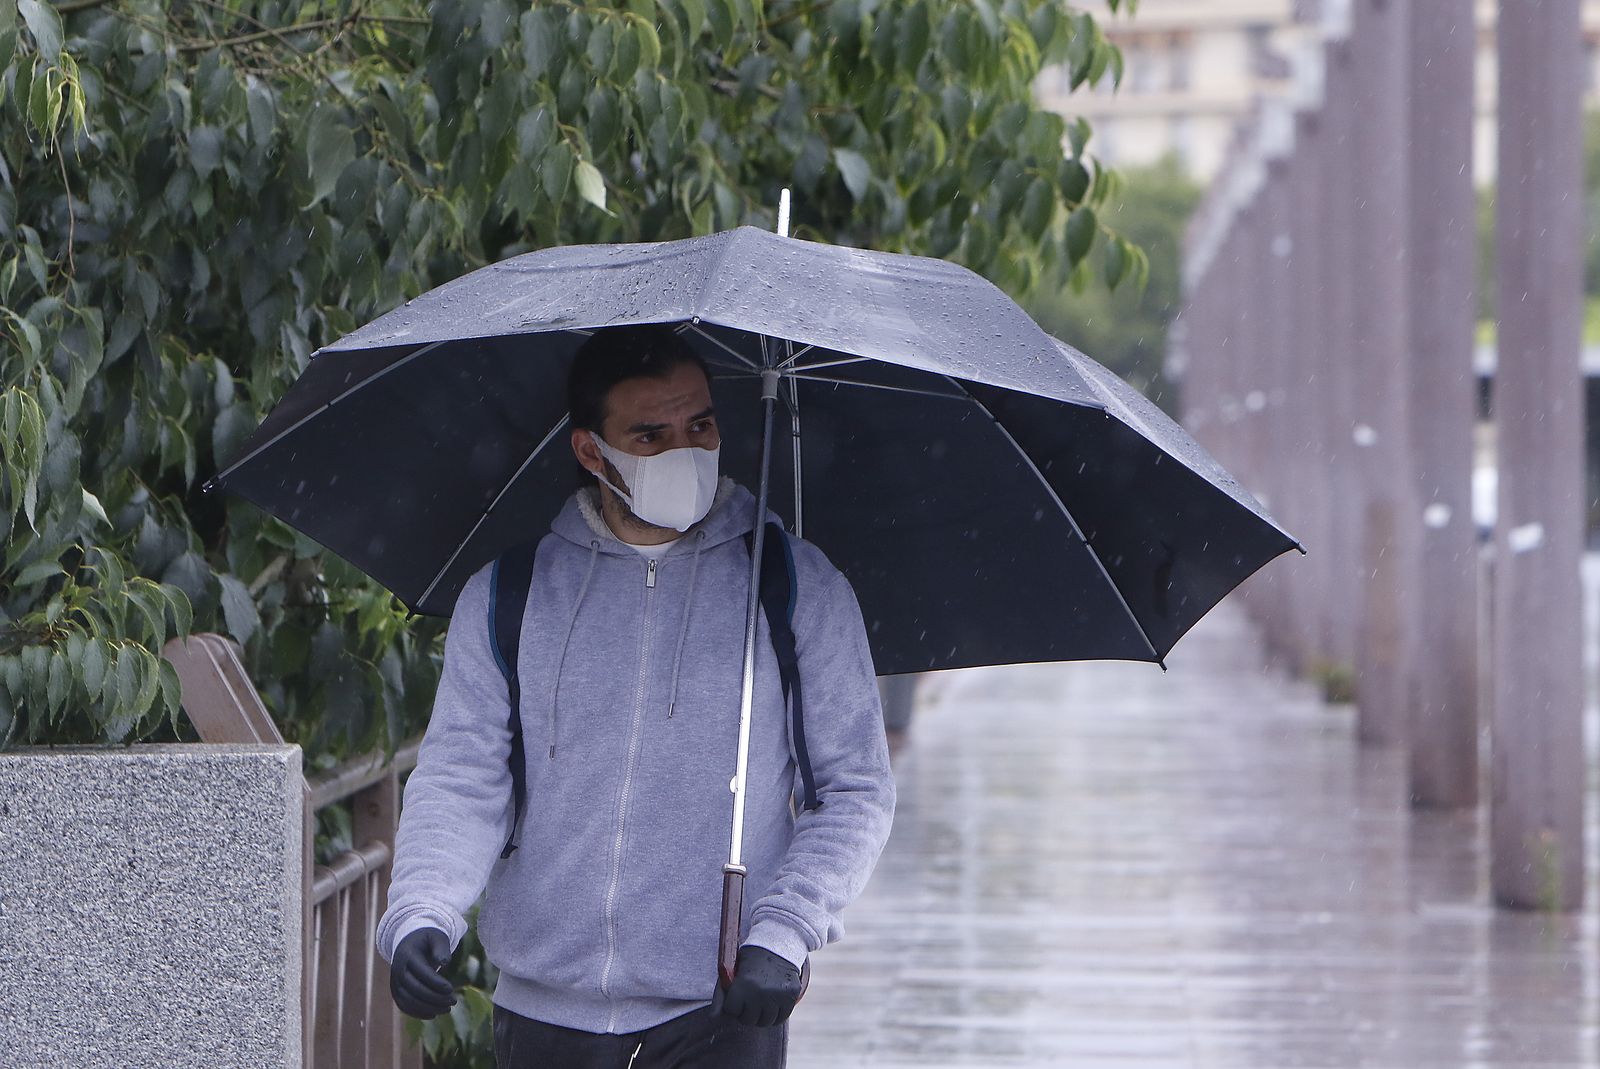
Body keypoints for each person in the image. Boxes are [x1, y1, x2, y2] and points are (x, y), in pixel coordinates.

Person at [374, 323, 897, 1068]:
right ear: (593, 451)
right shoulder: (509, 593)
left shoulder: (793, 586)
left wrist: (785, 930)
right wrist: (424, 909)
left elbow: (854, 788)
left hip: (720, 1008)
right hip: (543, 1014)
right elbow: (463, 775)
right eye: (650, 435)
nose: (685, 449)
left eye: (701, 424)